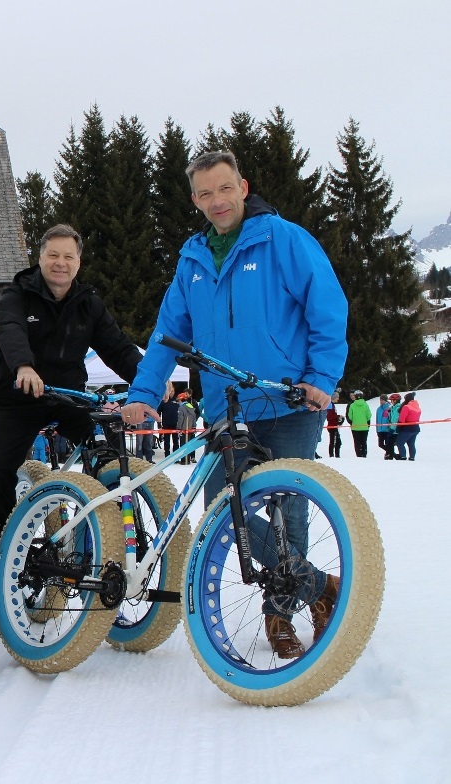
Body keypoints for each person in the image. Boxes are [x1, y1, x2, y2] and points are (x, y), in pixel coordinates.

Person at [120, 150, 348, 660]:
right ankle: (321, 587)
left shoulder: (282, 239)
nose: (216, 201)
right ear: (195, 200)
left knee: (290, 511)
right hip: (227, 406)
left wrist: (321, 378)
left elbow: (327, 307)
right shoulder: (192, 258)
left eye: (224, 189)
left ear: (243, 187)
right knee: (223, 505)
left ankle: (280, 611)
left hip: (288, 400)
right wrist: (143, 392)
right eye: (204, 194)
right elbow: (166, 336)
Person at [0, 223, 142, 530]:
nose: (60, 263)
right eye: (53, 255)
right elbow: (10, 329)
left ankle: (113, 523)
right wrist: (24, 366)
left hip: (69, 399)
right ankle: (6, 533)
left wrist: (148, 380)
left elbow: (117, 347)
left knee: (110, 446)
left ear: (78, 262)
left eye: (68, 256)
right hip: (18, 400)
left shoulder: (88, 303)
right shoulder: (16, 296)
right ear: (40, 258)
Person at [394, 391, 421, 461]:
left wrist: (398, 428)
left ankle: (402, 456)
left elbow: (401, 419)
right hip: (416, 428)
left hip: (407, 428)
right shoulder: (417, 407)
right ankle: (412, 457)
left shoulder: (406, 407)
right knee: (411, 443)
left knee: (399, 442)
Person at [346, 389, 372, 458]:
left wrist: (354, 421)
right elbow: (369, 415)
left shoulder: (352, 405)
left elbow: (350, 416)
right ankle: (364, 454)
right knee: (364, 441)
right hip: (364, 427)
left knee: (357, 442)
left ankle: (359, 455)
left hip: (355, 427)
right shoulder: (365, 405)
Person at [177, 394, 198, 464]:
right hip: (190, 429)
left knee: (183, 445)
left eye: (178, 400)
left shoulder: (181, 408)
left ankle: (184, 460)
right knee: (188, 445)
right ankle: (188, 459)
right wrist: (194, 426)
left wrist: (179, 428)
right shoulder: (191, 407)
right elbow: (194, 417)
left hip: (183, 429)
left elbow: (180, 419)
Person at [374, 394, 393, 458]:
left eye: (382, 400)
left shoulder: (389, 408)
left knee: (388, 444)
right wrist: (377, 429)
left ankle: (389, 454)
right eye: (380, 400)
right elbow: (377, 419)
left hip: (387, 429)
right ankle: (391, 453)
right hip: (380, 429)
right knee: (380, 444)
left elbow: (390, 418)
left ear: (386, 400)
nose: (381, 401)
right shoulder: (379, 409)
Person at [326, 391, 344, 458]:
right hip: (332, 426)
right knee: (334, 442)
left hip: (334, 425)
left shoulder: (332, 405)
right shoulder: (330, 405)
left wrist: (338, 417)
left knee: (338, 442)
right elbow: (329, 417)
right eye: (337, 397)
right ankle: (332, 456)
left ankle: (337, 455)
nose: (338, 399)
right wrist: (338, 416)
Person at [385, 392, 403, 458]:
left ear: (395, 400)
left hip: (395, 429)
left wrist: (392, 429)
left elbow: (395, 419)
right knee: (389, 443)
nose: (391, 402)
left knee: (391, 443)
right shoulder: (393, 407)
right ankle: (391, 455)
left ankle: (392, 456)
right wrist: (389, 412)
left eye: (392, 400)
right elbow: (391, 418)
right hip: (392, 428)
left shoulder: (398, 408)